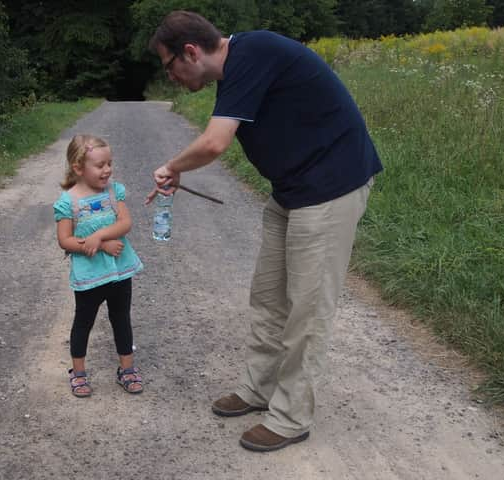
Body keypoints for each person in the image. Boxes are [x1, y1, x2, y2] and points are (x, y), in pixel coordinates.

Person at [146, 11, 382, 451]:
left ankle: (291, 417)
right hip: (292, 190)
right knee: (269, 297)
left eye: (169, 66)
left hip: (331, 188)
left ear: (190, 52)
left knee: (307, 311)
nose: (172, 77)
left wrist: (172, 167)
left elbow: (215, 143)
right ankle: (258, 389)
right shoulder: (239, 68)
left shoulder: (251, 54)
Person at [54, 134, 145, 397]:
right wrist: (99, 244)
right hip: (89, 275)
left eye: (109, 163)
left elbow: (125, 223)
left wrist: (98, 235)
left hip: (119, 271)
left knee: (121, 319)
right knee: (83, 322)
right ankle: (78, 373)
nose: (107, 170)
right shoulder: (67, 202)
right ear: (78, 168)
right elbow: (64, 240)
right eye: (100, 165)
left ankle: (126, 369)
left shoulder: (114, 191)